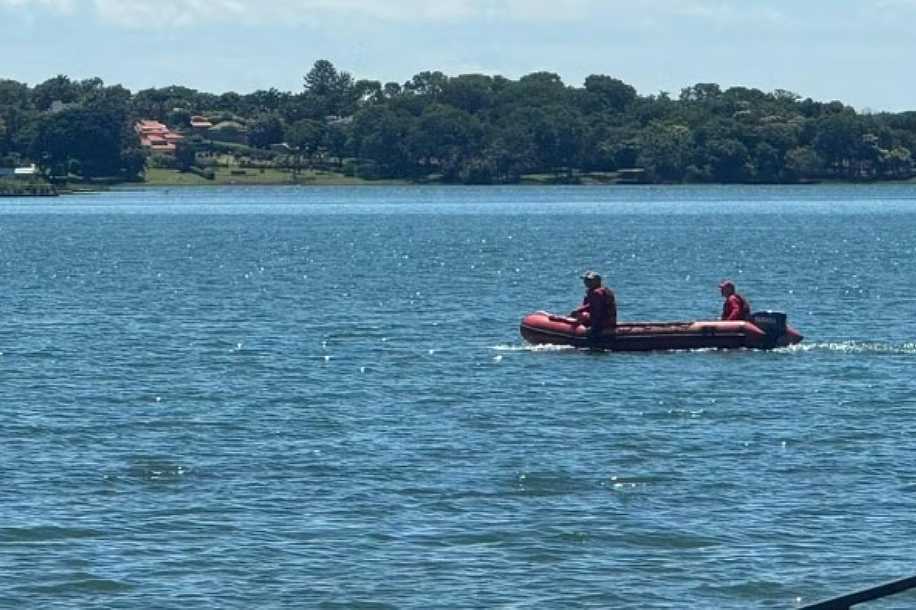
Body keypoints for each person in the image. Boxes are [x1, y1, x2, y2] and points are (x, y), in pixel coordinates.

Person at [570, 271, 617, 343]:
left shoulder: (597, 293)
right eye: (585, 280)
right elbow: (592, 305)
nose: (586, 282)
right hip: (609, 320)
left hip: (603, 322)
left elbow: (598, 311)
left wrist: (594, 327)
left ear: (597, 281)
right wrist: (578, 310)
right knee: (578, 313)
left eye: (589, 280)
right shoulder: (602, 290)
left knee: (581, 315)